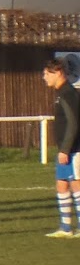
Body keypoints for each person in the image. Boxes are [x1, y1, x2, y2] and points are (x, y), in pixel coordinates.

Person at [42, 59, 79, 238]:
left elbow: (74, 123)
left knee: (77, 185)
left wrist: (65, 149)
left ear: (58, 72)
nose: (44, 78)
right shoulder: (60, 93)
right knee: (62, 185)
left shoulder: (68, 94)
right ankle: (66, 228)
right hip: (65, 150)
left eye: (46, 74)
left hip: (74, 150)